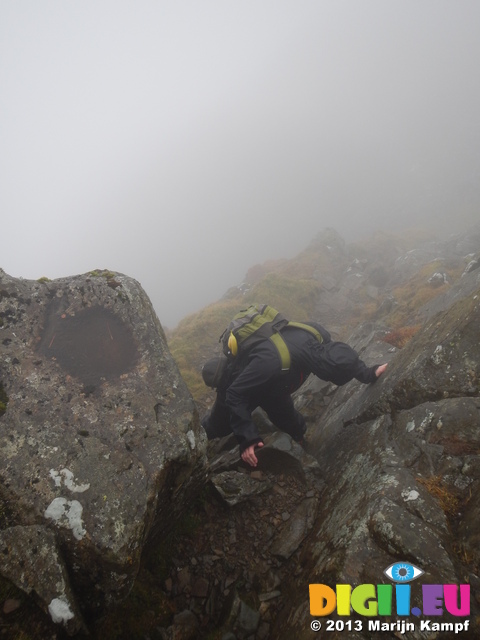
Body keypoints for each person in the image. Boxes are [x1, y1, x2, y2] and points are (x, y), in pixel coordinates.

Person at [201, 320, 387, 468]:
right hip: (242, 383)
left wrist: (367, 372)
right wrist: (248, 439)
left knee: (283, 411)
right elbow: (235, 395)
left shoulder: (316, 333)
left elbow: (340, 357)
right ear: (323, 371)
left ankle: (298, 437)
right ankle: (193, 437)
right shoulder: (270, 364)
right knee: (218, 426)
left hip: (276, 383)